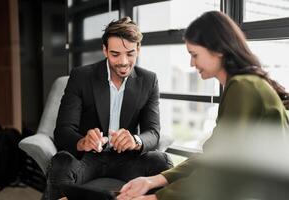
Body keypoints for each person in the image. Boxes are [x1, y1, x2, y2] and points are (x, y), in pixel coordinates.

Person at [117, 11, 289, 200]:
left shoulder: (243, 87)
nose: (191, 63)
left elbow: (221, 167)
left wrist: (155, 198)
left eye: (194, 54)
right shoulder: (244, 84)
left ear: (218, 50)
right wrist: (153, 181)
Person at [43, 17, 173, 200]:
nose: (123, 62)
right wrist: (83, 142)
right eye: (115, 54)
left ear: (138, 49)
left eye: (130, 53)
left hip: (128, 160)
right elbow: (63, 131)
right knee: (61, 162)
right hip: (87, 159)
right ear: (104, 50)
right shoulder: (81, 76)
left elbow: (153, 132)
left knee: (161, 161)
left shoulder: (149, 80)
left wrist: (135, 141)